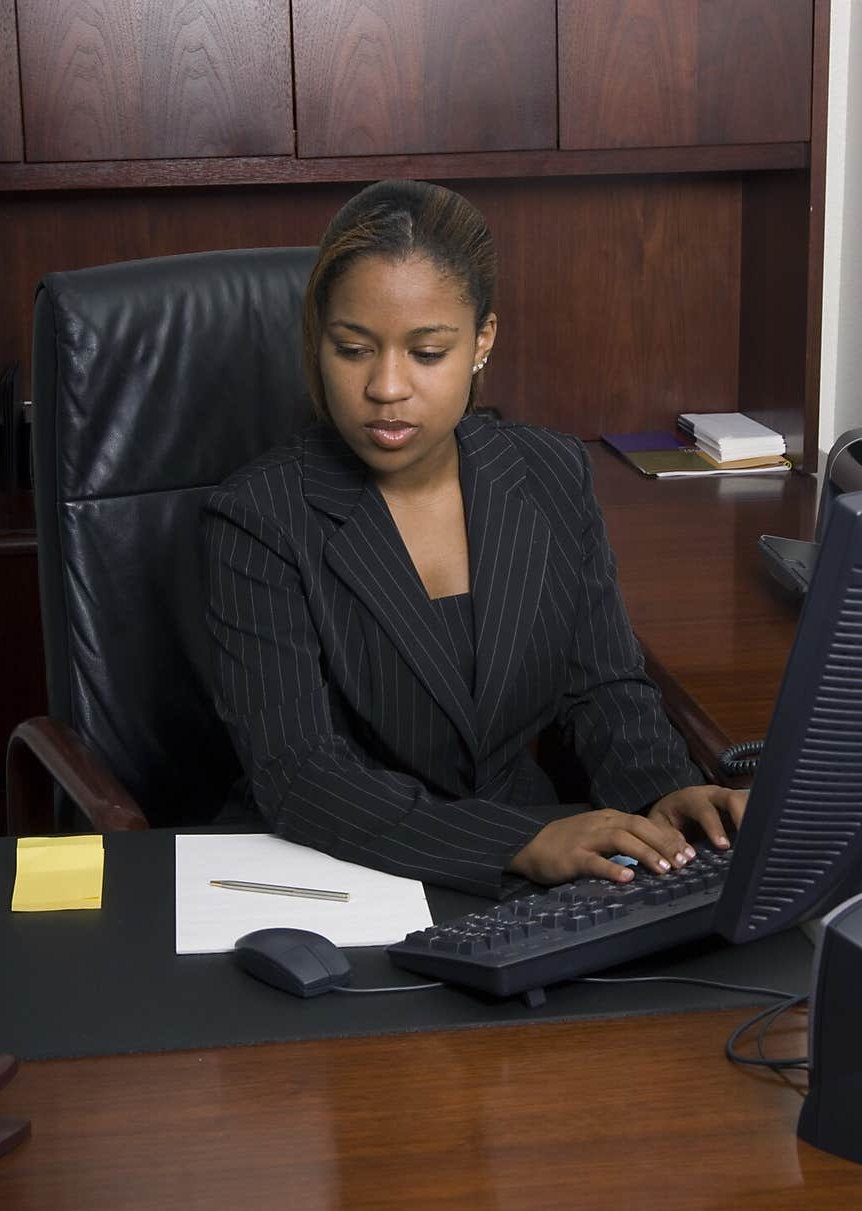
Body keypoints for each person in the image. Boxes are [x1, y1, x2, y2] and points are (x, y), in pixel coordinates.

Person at [204, 179, 747, 899]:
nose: (387, 386)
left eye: (427, 352)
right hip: (334, 876)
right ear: (319, 341)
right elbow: (302, 775)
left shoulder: (551, 473)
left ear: (482, 340)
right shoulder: (258, 516)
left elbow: (603, 687)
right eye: (353, 349)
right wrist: (518, 842)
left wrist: (663, 793)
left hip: (532, 875)